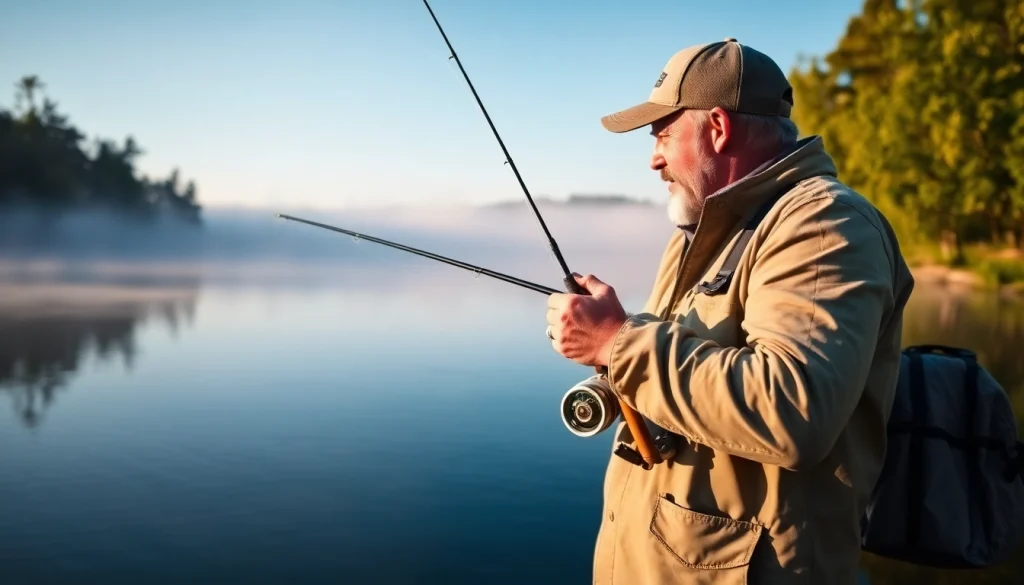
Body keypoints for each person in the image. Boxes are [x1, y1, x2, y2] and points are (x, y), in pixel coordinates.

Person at [544, 38, 915, 584]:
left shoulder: (823, 226)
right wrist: (610, 362)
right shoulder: (699, 233)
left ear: (717, 128)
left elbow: (794, 407)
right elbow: (676, 369)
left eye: (663, 134)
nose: (653, 158)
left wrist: (616, 342)